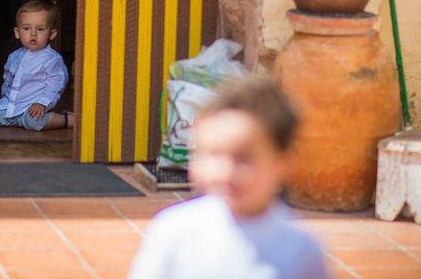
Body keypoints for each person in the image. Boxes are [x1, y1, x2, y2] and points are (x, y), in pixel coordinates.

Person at [128, 79, 329, 279]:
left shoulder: (301, 248)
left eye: (244, 158)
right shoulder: (173, 232)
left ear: (282, 164)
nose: (225, 172)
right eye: (212, 154)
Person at [0, 0, 72, 131]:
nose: (33, 33)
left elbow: (56, 85)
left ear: (52, 34)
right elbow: (8, 78)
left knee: (34, 122)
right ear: (17, 32)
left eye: (40, 29)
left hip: (34, 108)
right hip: (12, 105)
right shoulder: (14, 56)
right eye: (26, 28)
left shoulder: (52, 59)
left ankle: (67, 120)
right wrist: (6, 97)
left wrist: (42, 103)